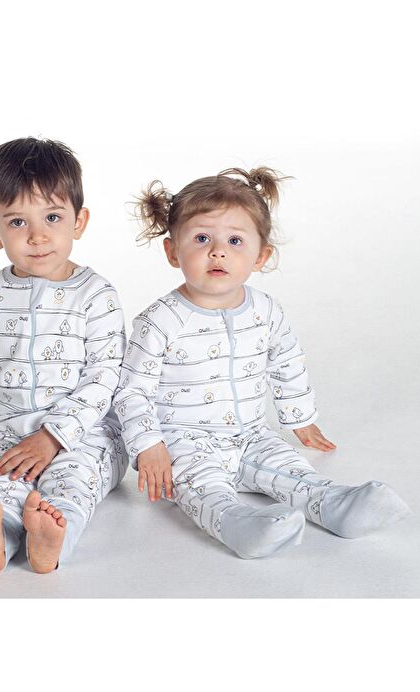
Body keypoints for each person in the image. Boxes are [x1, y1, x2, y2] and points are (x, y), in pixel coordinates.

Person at [113, 167, 411, 559]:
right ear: (172, 252)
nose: (218, 251)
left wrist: (299, 417)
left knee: (290, 470)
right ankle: (238, 524)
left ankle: (336, 504)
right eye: (201, 238)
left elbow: (286, 361)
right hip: (181, 441)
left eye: (235, 240)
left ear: (261, 256)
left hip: (252, 434)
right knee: (202, 489)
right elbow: (132, 390)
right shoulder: (159, 321)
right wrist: (149, 446)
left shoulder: (265, 310)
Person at [0, 137, 127, 573]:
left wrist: (54, 436)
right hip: (11, 430)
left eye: (52, 217)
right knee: (5, 486)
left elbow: (105, 376)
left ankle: (53, 540)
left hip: (86, 434)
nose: (37, 236)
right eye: (17, 222)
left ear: (79, 221)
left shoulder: (96, 294)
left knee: (72, 485)